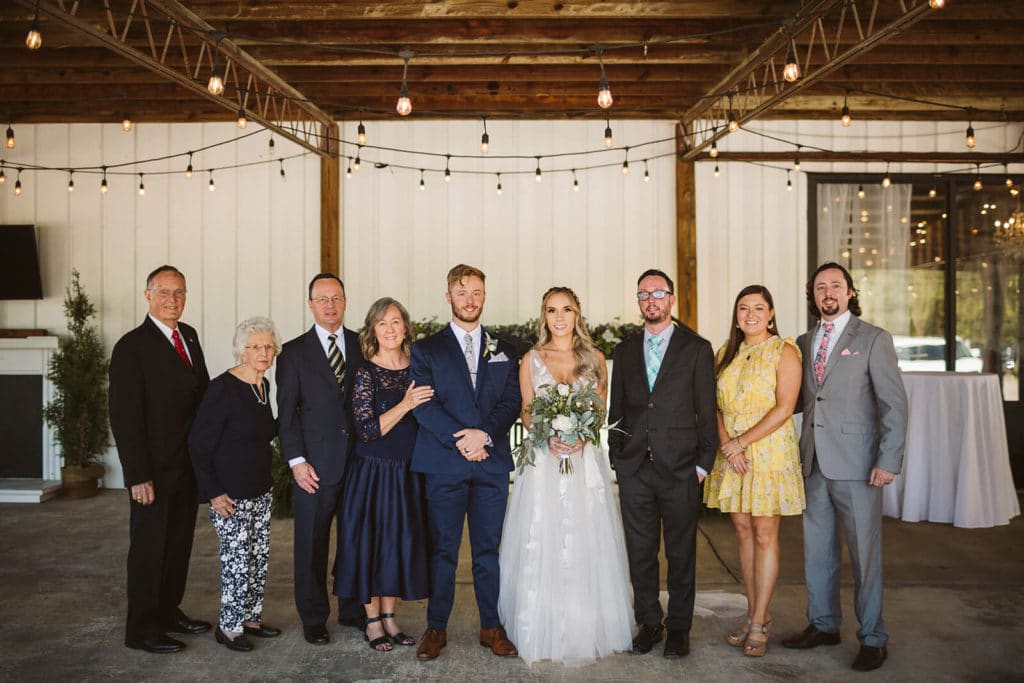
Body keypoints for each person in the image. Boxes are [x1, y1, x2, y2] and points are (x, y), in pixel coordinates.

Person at [781, 262, 908, 673]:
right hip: (814, 460)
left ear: (850, 292)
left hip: (858, 465)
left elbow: (893, 404)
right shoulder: (802, 342)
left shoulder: (873, 339)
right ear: (813, 295)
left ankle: (873, 637)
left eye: (836, 285)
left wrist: (888, 461)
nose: (828, 292)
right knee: (818, 552)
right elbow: (798, 399)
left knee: (865, 555)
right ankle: (823, 624)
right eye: (821, 287)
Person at [498, 287, 633, 665]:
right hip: (543, 461)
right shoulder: (531, 359)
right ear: (544, 316)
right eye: (552, 310)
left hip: (584, 461)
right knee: (542, 538)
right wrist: (549, 433)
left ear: (578, 314)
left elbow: (601, 411)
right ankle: (539, 625)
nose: (559, 317)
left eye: (566, 309)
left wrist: (579, 436)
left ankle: (585, 625)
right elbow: (526, 411)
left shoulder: (595, 358)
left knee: (585, 538)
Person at [409, 264, 522, 661]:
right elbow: (424, 405)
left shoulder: (506, 348)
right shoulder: (426, 349)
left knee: (489, 552)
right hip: (445, 464)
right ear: (448, 297)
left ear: (484, 296)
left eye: (476, 292)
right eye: (461, 293)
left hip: (490, 464)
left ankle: (491, 627)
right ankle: (435, 628)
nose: (469, 300)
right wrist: (463, 441)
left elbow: (512, 400)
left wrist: (485, 436)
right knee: (443, 551)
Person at [608, 268, 718, 659]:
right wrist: (618, 459)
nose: (650, 300)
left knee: (681, 552)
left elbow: (707, 412)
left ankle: (679, 628)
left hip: (681, 470)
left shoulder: (696, 349)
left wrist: (703, 465)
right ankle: (650, 622)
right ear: (638, 302)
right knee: (640, 552)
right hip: (635, 468)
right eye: (643, 294)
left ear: (671, 299)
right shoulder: (624, 351)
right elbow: (616, 412)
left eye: (658, 293)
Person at [109, 265, 211, 653]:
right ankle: (142, 629)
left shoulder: (189, 336)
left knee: (178, 545)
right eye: (165, 292)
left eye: (180, 292)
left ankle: (168, 611)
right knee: (150, 549)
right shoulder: (131, 347)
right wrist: (138, 476)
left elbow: (200, 398)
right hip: (152, 472)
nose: (173, 300)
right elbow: (124, 418)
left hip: (186, 467)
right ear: (148, 295)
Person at [702, 285, 805, 657]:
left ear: (772, 314)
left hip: (768, 450)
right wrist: (728, 443)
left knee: (764, 533)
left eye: (759, 308)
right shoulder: (724, 353)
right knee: (742, 533)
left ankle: (761, 621)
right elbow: (712, 406)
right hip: (732, 453)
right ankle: (752, 612)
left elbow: (785, 407)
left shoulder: (785, 351)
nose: (750, 315)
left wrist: (741, 443)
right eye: (743, 308)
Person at [335, 298, 434, 652]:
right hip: (373, 471)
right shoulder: (365, 371)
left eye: (396, 322)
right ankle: (372, 621)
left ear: (405, 326)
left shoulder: (417, 366)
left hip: (408, 471)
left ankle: (390, 618)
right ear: (372, 330)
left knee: (399, 543)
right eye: (383, 323)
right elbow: (366, 430)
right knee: (370, 544)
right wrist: (405, 404)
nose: (390, 329)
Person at [276, 274, 366, 645]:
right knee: (311, 543)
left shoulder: (362, 344)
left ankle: (352, 608)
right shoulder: (294, 352)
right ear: (310, 304)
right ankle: (313, 616)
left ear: (345, 302)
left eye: (337, 298)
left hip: (359, 463)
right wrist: (297, 461)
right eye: (322, 299)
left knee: (354, 539)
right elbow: (287, 413)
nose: (330, 305)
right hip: (314, 465)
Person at [188, 317, 283, 652]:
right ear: (241, 351)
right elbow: (199, 444)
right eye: (256, 346)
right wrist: (213, 492)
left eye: (269, 346)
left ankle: (250, 619)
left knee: (258, 558)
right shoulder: (222, 388)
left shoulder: (263, 386)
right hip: (230, 493)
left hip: (260, 488)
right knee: (236, 561)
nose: (263, 352)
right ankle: (228, 628)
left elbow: (264, 432)